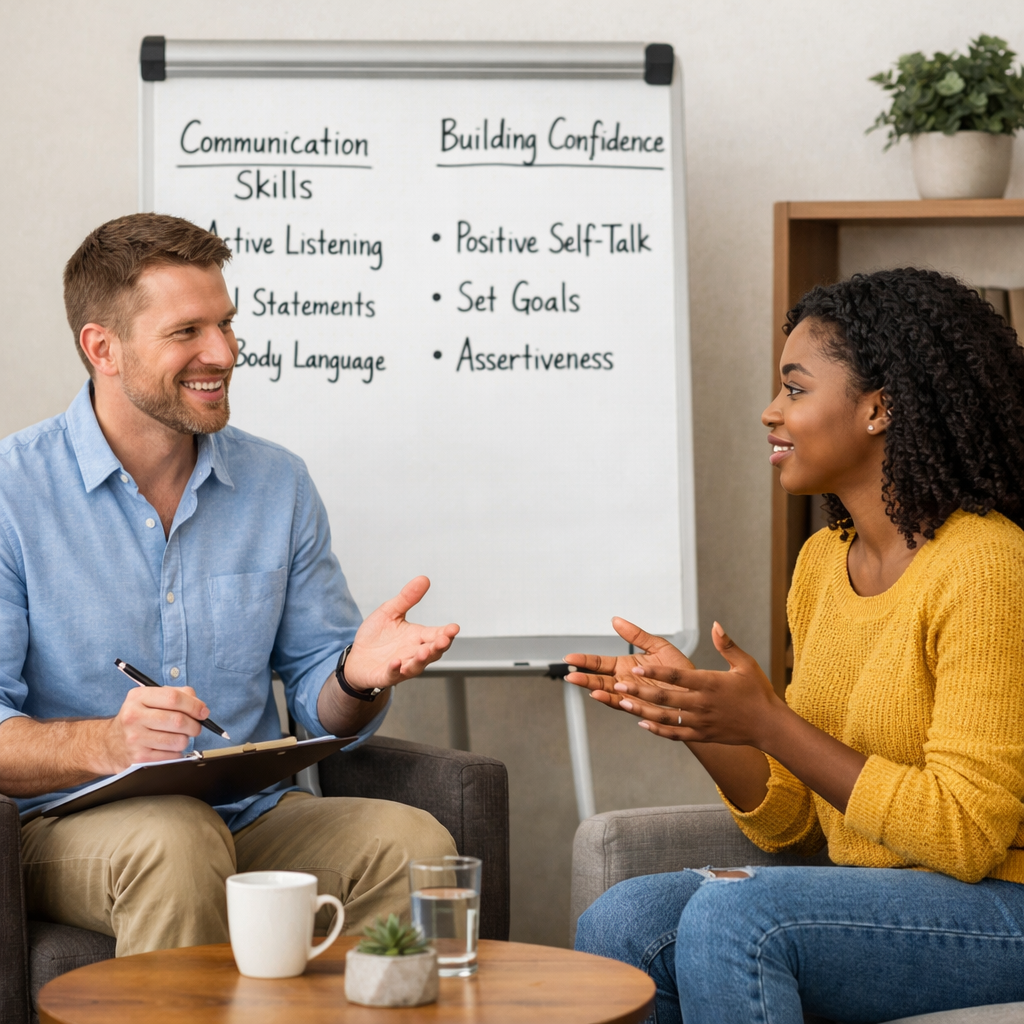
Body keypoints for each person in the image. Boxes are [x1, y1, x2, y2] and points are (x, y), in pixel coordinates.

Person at [568, 268, 1024, 1023]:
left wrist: (771, 722)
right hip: (879, 895)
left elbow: (968, 834)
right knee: (625, 918)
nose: (769, 412)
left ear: (880, 408)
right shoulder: (821, 567)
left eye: (796, 389)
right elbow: (793, 824)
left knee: (737, 916)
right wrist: (703, 720)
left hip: (1001, 906)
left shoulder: (987, 566)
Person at [0, 213, 461, 957]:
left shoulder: (277, 483)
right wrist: (110, 742)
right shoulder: (11, 494)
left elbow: (321, 701)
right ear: (102, 348)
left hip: (249, 814)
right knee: (173, 841)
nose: (224, 352)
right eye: (188, 332)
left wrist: (355, 677)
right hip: (64, 826)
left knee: (414, 843)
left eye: (227, 324)